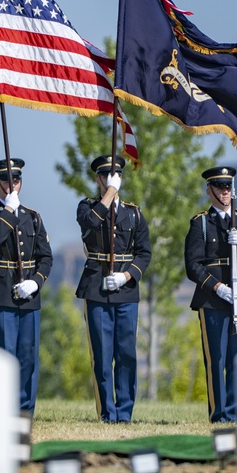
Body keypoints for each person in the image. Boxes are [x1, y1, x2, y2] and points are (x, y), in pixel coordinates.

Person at [0, 158, 53, 416]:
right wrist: (8, 211)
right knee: (2, 356)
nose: (11, 185)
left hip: (28, 294)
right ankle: (1, 409)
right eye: (6, 180)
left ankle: (25, 411)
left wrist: (35, 282)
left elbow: (46, 257)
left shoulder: (33, 217)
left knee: (28, 356)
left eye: (16, 180)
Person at [75, 155, 152, 423]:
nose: (111, 180)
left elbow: (144, 253)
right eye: (105, 176)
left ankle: (125, 412)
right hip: (96, 287)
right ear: (97, 179)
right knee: (103, 354)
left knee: (127, 353)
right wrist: (109, 193)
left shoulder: (133, 212)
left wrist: (126, 276)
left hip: (126, 290)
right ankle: (107, 412)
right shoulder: (87, 207)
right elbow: (91, 224)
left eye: (115, 176)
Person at [185, 166, 237, 424]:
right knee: (216, 358)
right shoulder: (201, 223)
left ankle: (236, 412)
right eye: (220, 187)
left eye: (228, 187)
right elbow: (193, 265)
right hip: (213, 298)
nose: (225, 192)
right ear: (210, 190)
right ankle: (219, 413)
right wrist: (217, 287)